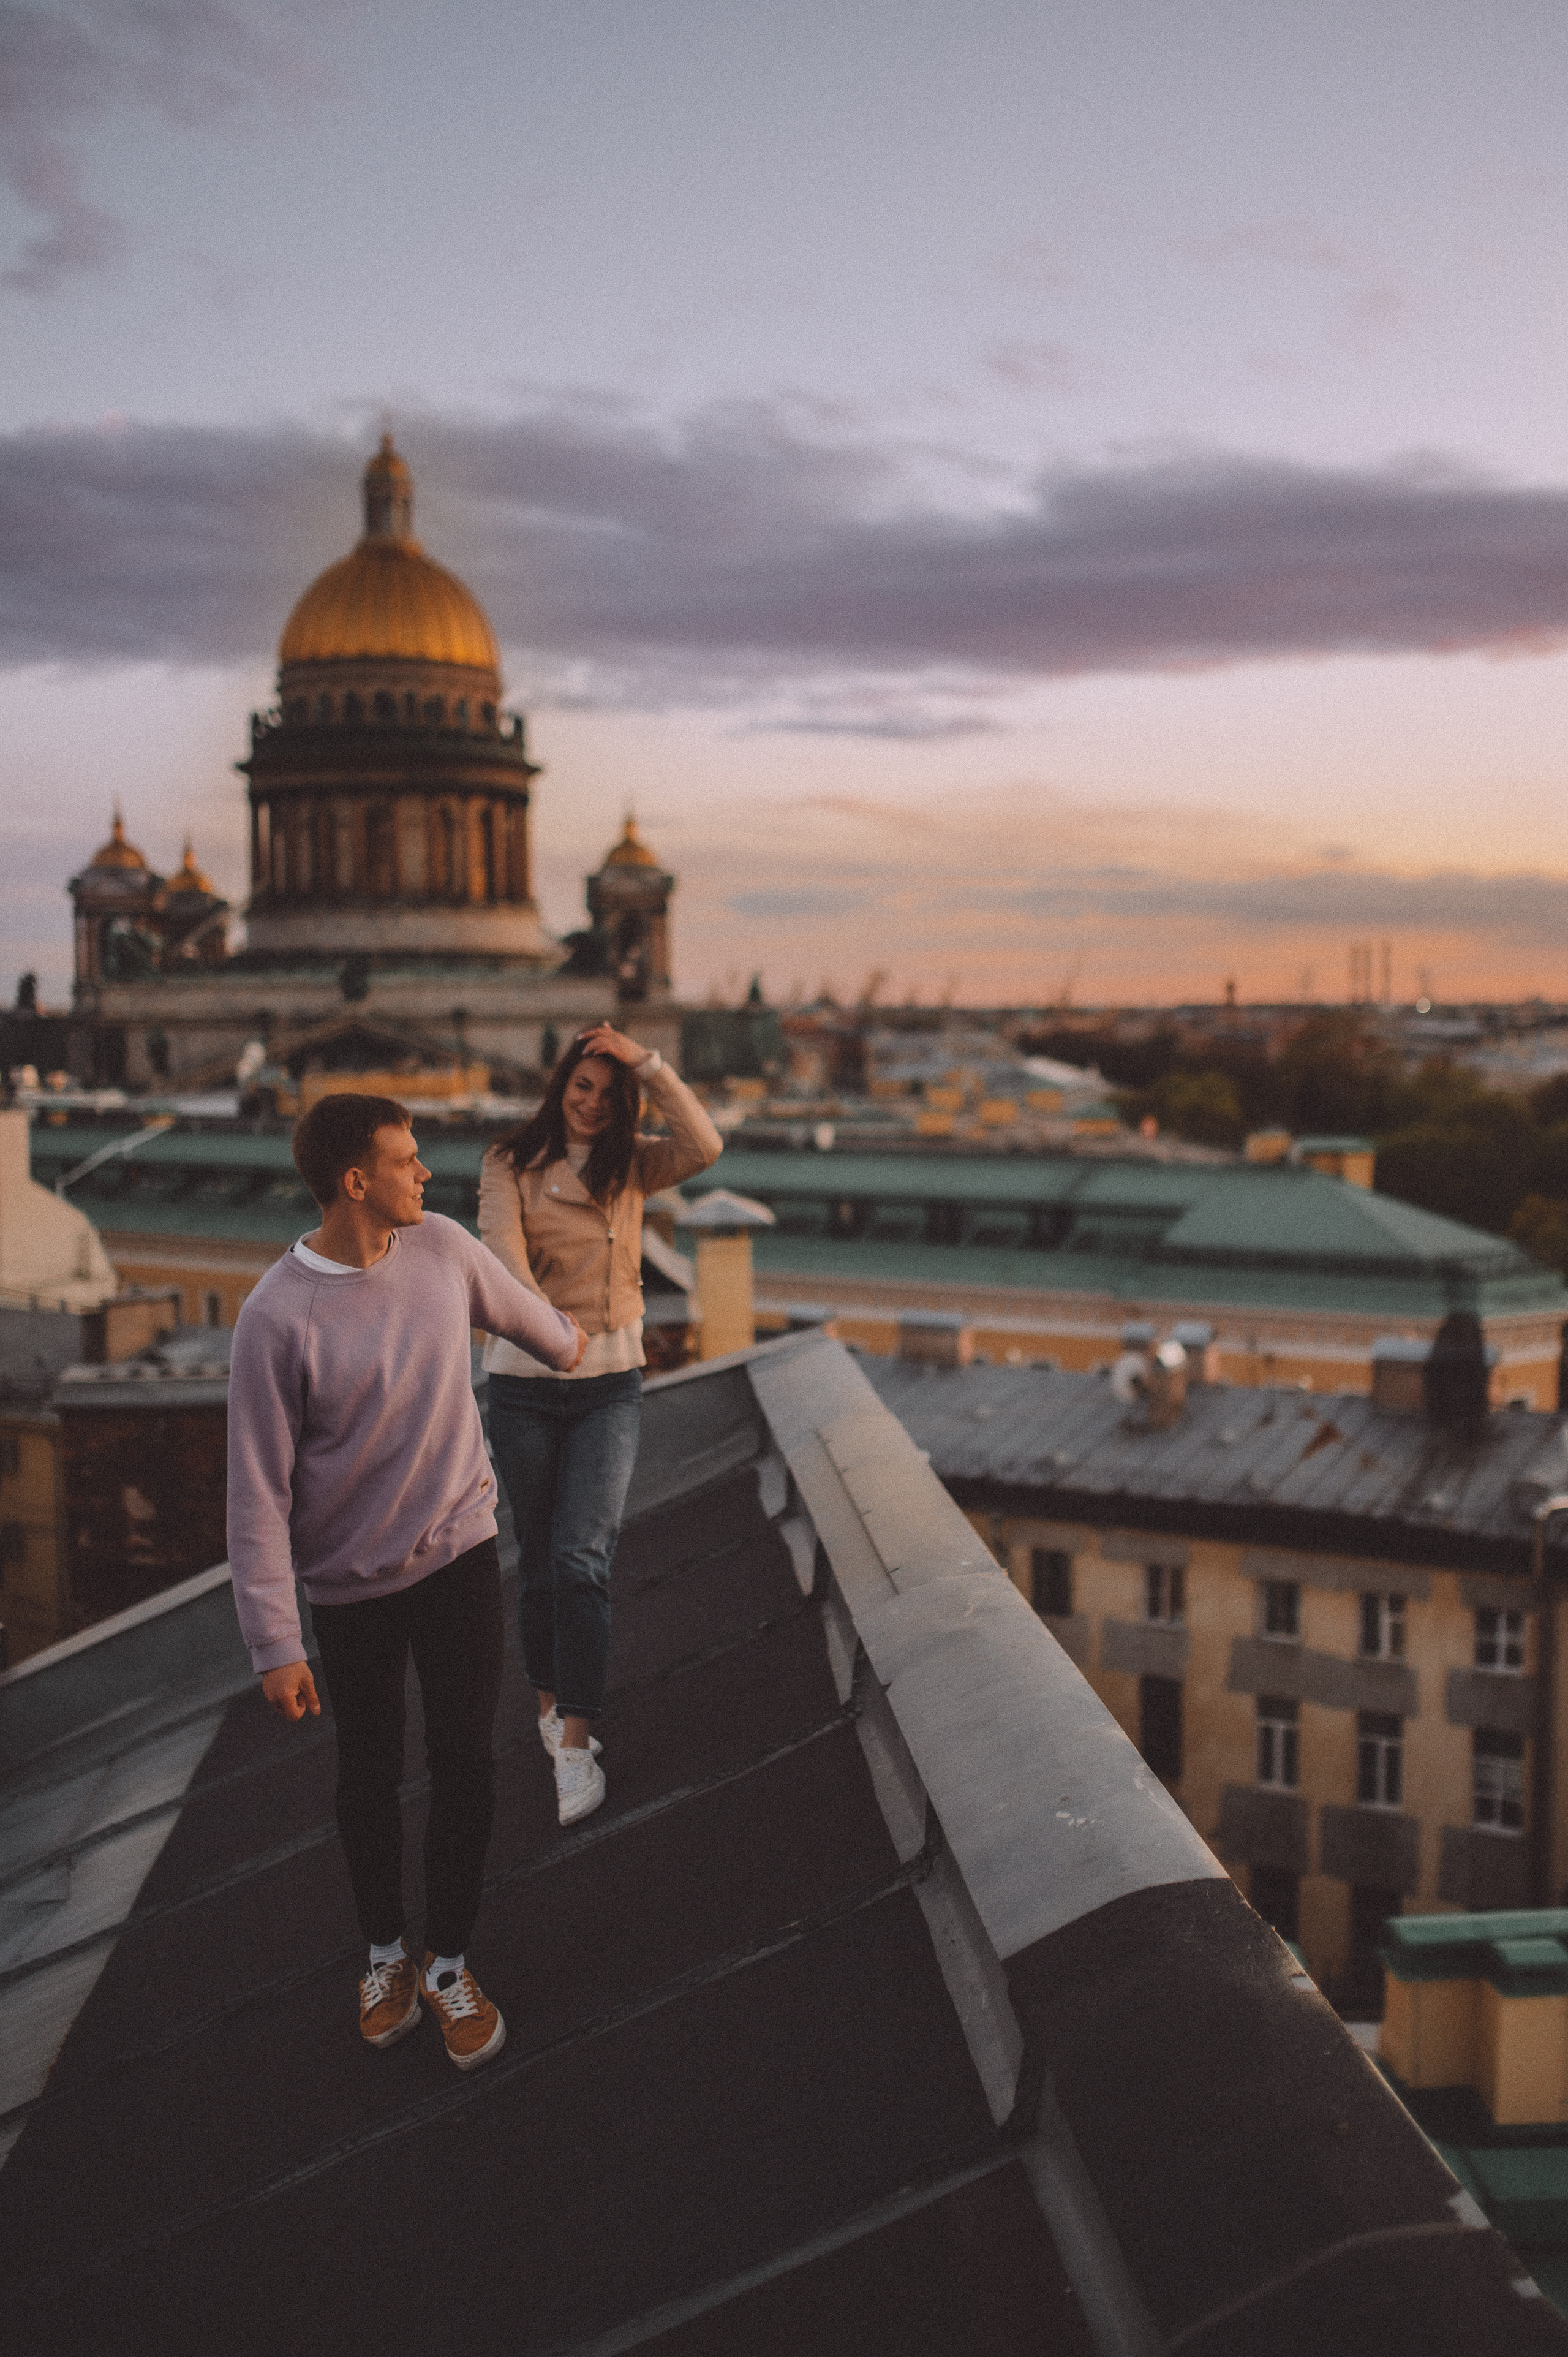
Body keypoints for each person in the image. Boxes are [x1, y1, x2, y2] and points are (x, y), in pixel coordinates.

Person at [227, 1092, 586, 2071]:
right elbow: (255, 1496)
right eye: (408, 1159)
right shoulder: (275, 1320)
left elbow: (532, 1320)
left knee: (469, 1763)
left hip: (461, 1556)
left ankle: (449, 1964)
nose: (425, 1174)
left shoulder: (444, 1251)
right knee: (371, 1778)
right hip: (352, 1592)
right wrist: (276, 1644)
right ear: (357, 1182)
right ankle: (385, 1954)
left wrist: (572, 1340)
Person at [478, 1023, 722, 1825]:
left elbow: (706, 1142)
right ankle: (550, 1703)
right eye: (582, 1086)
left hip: (610, 1386)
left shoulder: (636, 1165)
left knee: (583, 1558)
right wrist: (550, 1330)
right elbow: (502, 1261)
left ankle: (576, 1746)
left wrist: (647, 1062)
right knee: (542, 1561)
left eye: (608, 1095)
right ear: (560, 1088)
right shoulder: (510, 1163)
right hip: (523, 1388)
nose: (591, 1103)